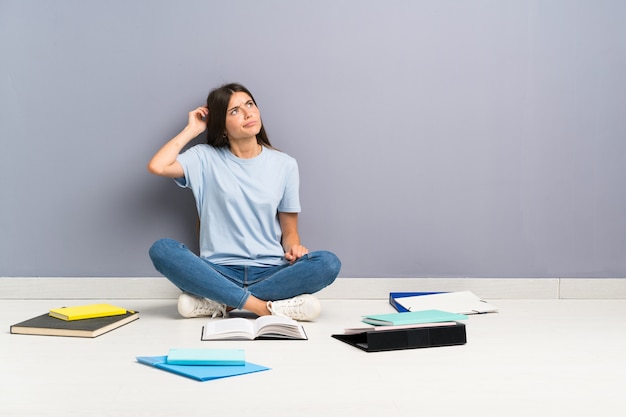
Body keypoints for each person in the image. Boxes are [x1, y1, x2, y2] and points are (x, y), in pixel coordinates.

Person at [147, 82, 341, 321]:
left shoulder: (285, 165)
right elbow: (158, 166)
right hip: (217, 271)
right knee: (162, 249)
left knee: (328, 263)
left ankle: (221, 303)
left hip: (271, 272)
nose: (248, 113)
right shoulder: (204, 158)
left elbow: (290, 233)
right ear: (223, 126)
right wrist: (192, 130)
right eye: (234, 111)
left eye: (250, 104)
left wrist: (294, 250)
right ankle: (265, 307)